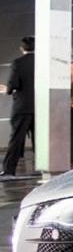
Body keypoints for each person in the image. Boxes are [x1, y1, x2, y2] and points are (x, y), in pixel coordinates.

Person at [0, 36, 35, 179]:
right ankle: (42, 168)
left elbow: (14, 85)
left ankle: (9, 171)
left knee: (16, 139)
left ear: (22, 49)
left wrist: (6, 89)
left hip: (22, 108)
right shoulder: (44, 63)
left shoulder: (17, 63)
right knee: (40, 140)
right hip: (41, 107)